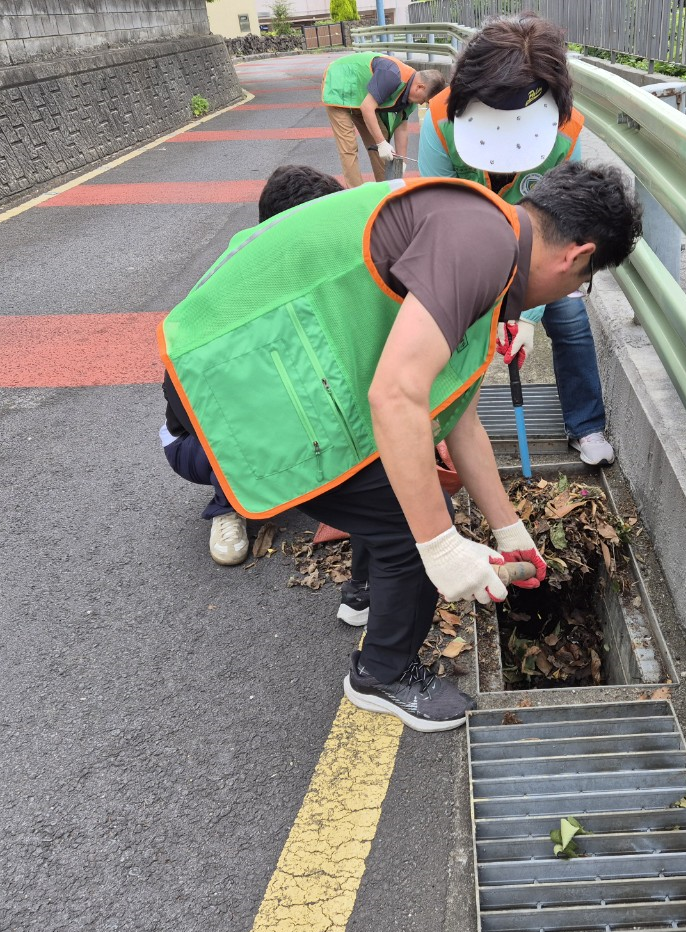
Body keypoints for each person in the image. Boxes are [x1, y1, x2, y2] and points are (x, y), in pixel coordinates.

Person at [160, 162, 642, 731]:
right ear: (577, 256)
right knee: (410, 518)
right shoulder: (480, 245)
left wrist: (510, 531)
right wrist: (439, 546)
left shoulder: (492, 232)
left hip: (258, 353)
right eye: (582, 283)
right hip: (238, 367)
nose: (572, 292)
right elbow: (396, 396)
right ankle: (381, 673)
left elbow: (457, 416)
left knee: (400, 485)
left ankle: (366, 593)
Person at [418, 15, 617, 467]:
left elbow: (563, 228)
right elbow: (438, 217)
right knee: (444, 327)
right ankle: (440, 425)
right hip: (467, 246)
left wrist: (524, 315)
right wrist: (482, 301)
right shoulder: (440, 117)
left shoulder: (564, 133)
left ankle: (586, 425)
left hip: (536, 249)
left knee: (568, 316)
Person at [160, 165, 344, 565]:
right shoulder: (228, 294)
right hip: (195, 441)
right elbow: (182, 402)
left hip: (265, 418)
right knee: (272, 397)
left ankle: (299, 472)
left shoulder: (298, 274)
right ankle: (228, 505)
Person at [321, 52, 445, 188]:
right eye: (424, 99)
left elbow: (402, 129)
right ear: (420, 87)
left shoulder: (410, 98)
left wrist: (401, 162)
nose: (422, 103)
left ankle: (384, 189)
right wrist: (381, 143)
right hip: (339, 85)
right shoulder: (392, 75)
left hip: (361, 97)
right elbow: (367, 108)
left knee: (381, 136)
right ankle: (355, 194)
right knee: (349, 147)